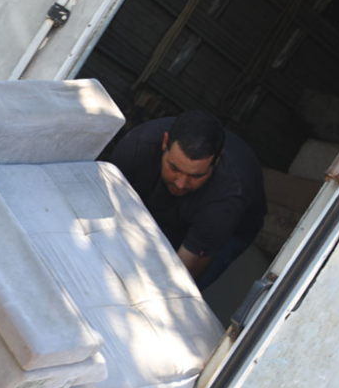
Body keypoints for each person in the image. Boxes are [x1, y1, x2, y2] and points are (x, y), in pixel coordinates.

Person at [102, 111, 266, 289]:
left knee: (171, 291)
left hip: (223, 230)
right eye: (174, 168)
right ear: (165, 142)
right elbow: (103, 209)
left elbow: (175, 281)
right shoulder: (138, 145)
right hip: (153, 203)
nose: (181, 184)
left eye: (196, 175)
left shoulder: (227, 197)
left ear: (217, 160)